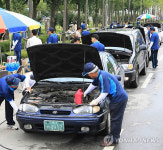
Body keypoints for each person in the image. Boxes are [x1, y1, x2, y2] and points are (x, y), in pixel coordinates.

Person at [82, 62, 128, 146]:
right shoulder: (99, 74)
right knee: (115, 119)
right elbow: (93, 85)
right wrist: (85, 93)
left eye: (88, 74)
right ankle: (114, 137)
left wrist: (96, 101)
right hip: (116, 98)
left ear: (92, 73)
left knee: (115, 120)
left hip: (118, 99)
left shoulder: (103, 76)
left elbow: (105, 92)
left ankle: (113, 140)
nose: (88, 76)